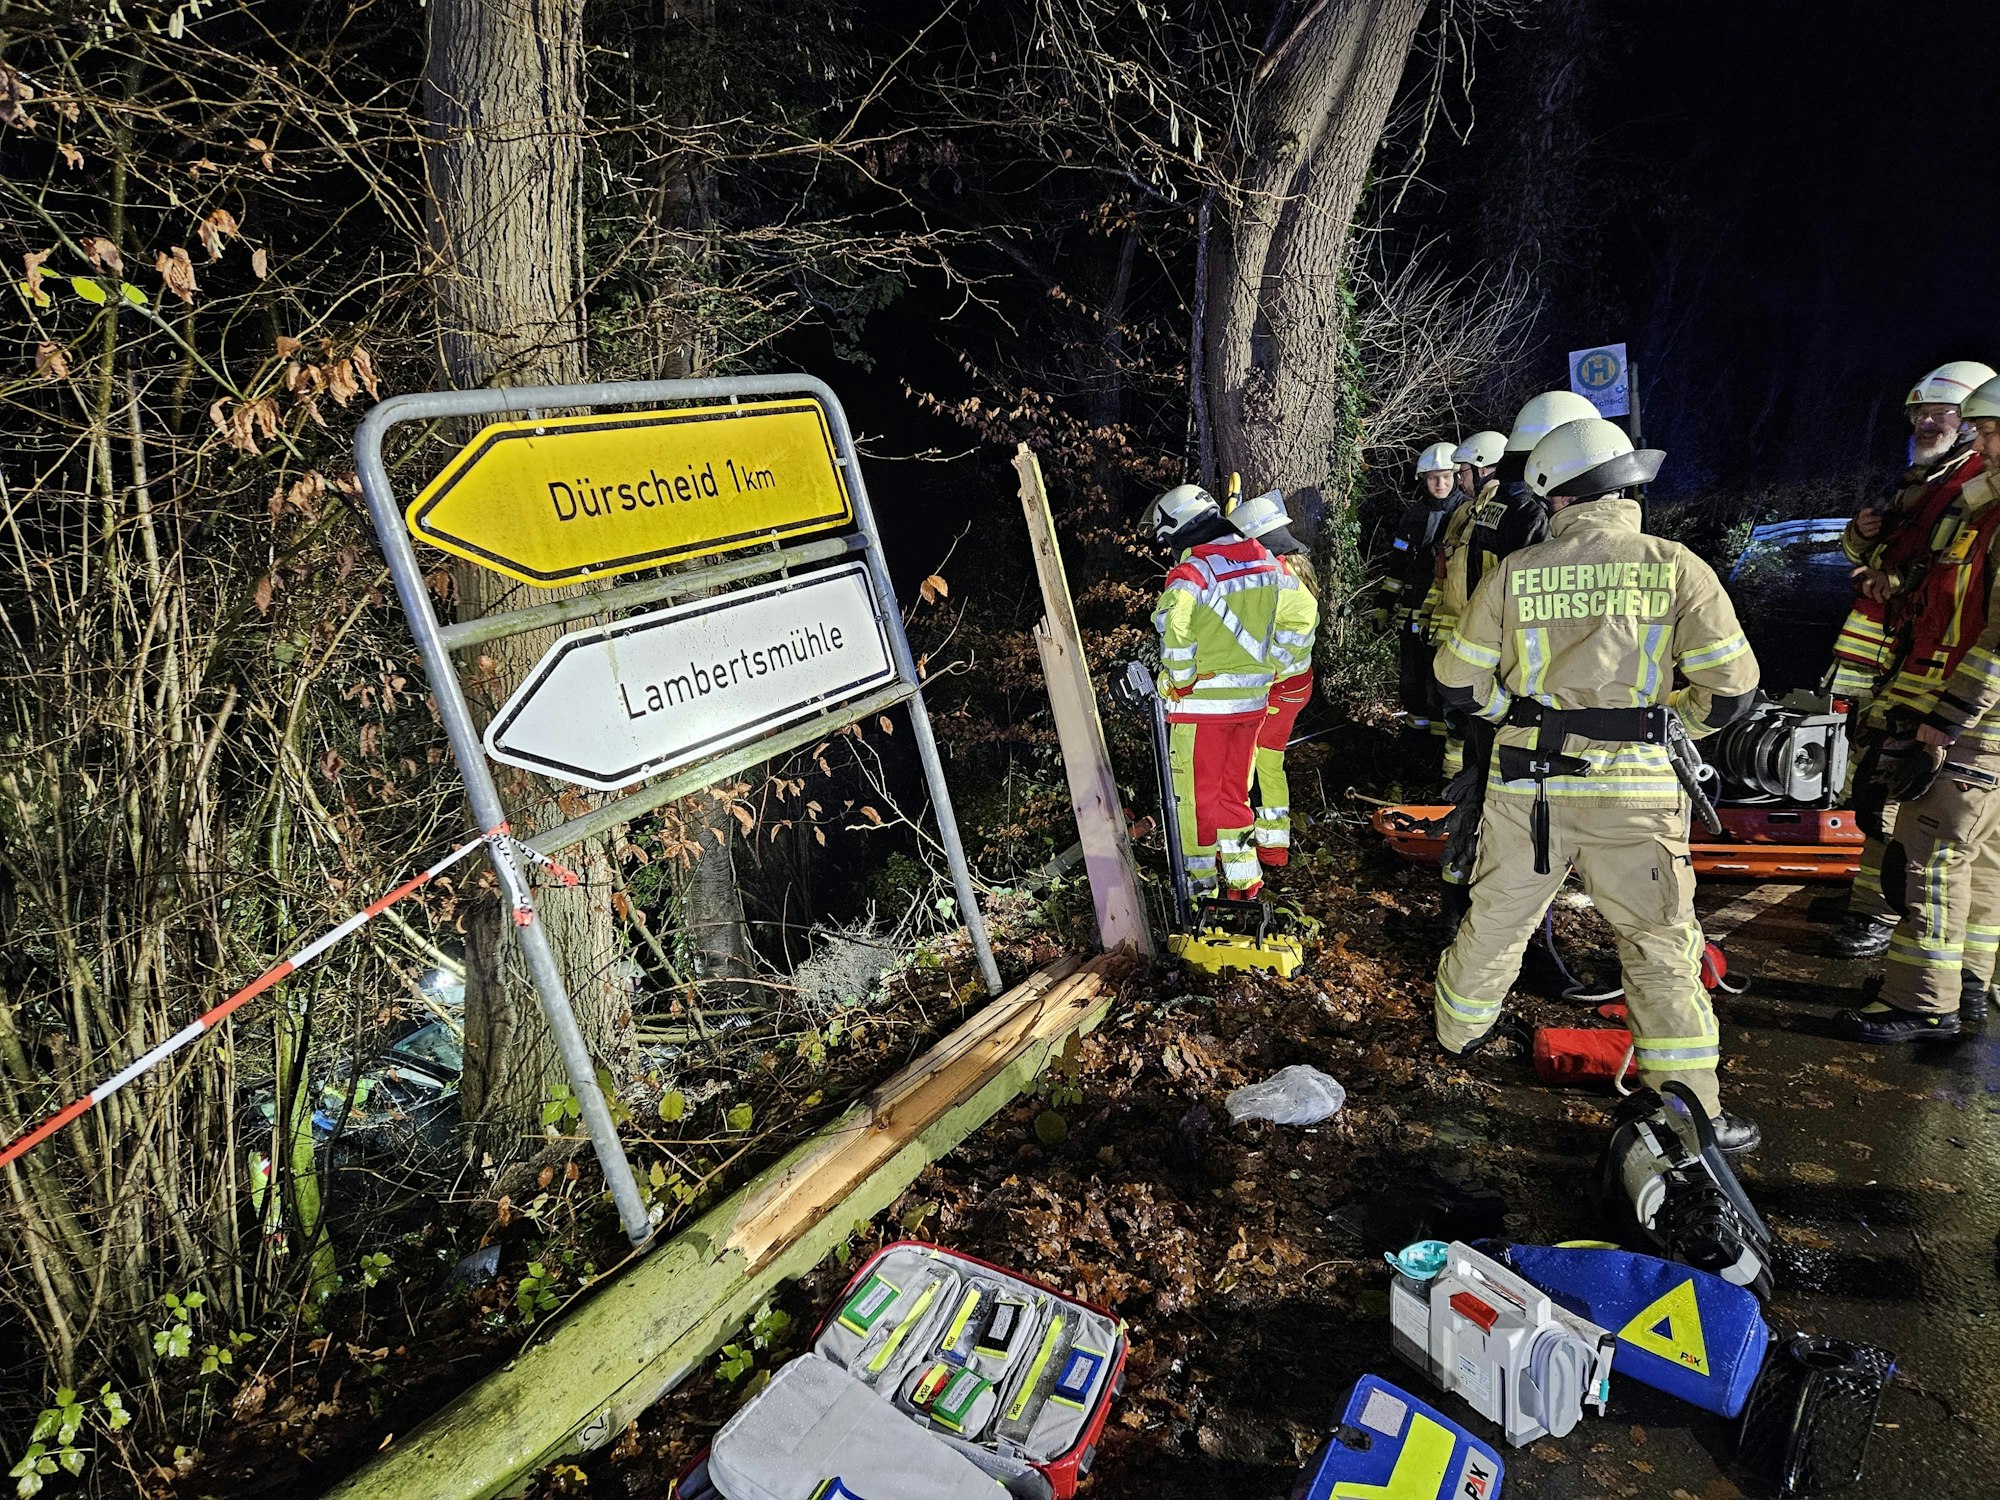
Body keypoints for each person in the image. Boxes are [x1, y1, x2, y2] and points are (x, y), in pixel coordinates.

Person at [1432, 417, 1762, 1151]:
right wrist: (1668, 722)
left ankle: (1455, 1041)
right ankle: (1687, 1112)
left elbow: (1455, 678)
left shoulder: (1516, 571)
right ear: (1624, 485)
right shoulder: (1674, 564)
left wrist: (1507, 714)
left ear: (1556, 497)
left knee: (1496, 921)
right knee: (1657, 943)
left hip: (1530, 788)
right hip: (1636, 794)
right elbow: (1733, 688)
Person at [1838, 375, 2000, 1041]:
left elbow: (1991, 636)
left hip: (1972, 716)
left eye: (1987, 428)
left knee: (1933, 853)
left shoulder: (1980, 504)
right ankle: (1967, 982)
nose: (1981, 442)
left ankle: (1921, 1001)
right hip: (1969, 709)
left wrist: (1946, 719)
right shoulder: (1972, 502)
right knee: (1981, 854)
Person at [1432, 393, 1601, 920]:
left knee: (1482, 793)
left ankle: (1461, 907)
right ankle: (1499, 918)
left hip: (1497, 681)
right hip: (1529, 692)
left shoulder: (1495, 505)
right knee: (1524, 811)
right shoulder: (1532, 514)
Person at [1147, 483, 1298, 900]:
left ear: (1178, 529)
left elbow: (1175, 634)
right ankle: (1245, 881)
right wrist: (1276, 668)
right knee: (1234, 793)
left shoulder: (1191, 575)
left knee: (1194, 801)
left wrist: (1179, 682)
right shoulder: (1267, 562)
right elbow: (1296, 617)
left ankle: (1199, 891)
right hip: (1252, 706)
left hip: (1201, 710)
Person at [1229, 489, 1321, 870]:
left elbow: (1277, 650)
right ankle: (1272, 848)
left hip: (1278, 687)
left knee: (1250, 762)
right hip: (1291, 685)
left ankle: (1243, 847)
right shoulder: (1289, 571)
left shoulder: (1281, 581)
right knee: (1267, 763)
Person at [1375, 443, 1463, 736]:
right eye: (1434, 478)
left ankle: (1441, 744)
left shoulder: (1466, 513)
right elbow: (1398, 564)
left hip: (1447, 616)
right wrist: (1385, 602)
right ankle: (1415, 740)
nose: (1441, 484)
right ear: (1423, 480)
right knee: (1412, 678)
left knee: (1439, 680)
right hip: (1412, 612)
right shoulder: (1413, 516)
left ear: (1457, 476)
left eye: (1447, 476)